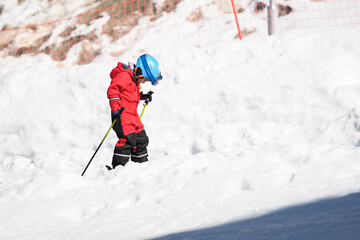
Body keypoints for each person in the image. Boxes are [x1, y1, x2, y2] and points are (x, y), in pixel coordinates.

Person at [107, 54, 162, 169]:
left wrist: (143, 96)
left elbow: (129, 95)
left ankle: (141, 166)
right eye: (145, 80)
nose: (144, 82)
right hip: (122, 115)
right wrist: (115, 109)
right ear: (141, 72)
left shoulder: (133, 79)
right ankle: (118, 169)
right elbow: (113, 90)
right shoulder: (124, 76)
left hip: (132, 116)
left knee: (141, 139)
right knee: (128, 139)